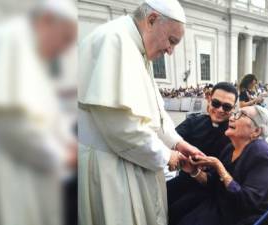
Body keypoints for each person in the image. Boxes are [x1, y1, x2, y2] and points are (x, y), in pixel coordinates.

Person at [77, 1, 204, 225]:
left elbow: (155, 113)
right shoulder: (114, 41)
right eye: (171, 41)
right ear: (152, 20)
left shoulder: (137, 49)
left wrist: (177, 143)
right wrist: (168, 156)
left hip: (133, 160)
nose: (170, 51)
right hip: (112, 170)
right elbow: (121, 127)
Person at [0, 1, 77, 225]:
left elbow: (46, 111)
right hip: (9, 171)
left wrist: (65, 142)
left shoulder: (34, 51)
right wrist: (61, 155)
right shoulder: (9, 41)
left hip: (33, 164)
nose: (64, 49)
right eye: (65, 39)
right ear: (47, 20)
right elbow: (8, 119)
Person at [169, 106, 268, 225]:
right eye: (235, 113)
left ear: (256, 131)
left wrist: (218, 166)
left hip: (241, 215)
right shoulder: (231, 147)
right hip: (222, 201)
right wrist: (192, 170)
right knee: (174, 208)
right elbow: (214, 182)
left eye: (241, 115)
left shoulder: (262, 155)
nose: (232, 117)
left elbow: (246, 202)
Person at [167, 82, 237, 206]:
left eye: (226, 107)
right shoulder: (193, 122)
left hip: (215, 191)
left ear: (233, 108)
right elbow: (169, 139)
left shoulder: (236, 134)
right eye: (216, 103)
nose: (220, 110)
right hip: (185, 180)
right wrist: (175, 153)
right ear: (209, 99)